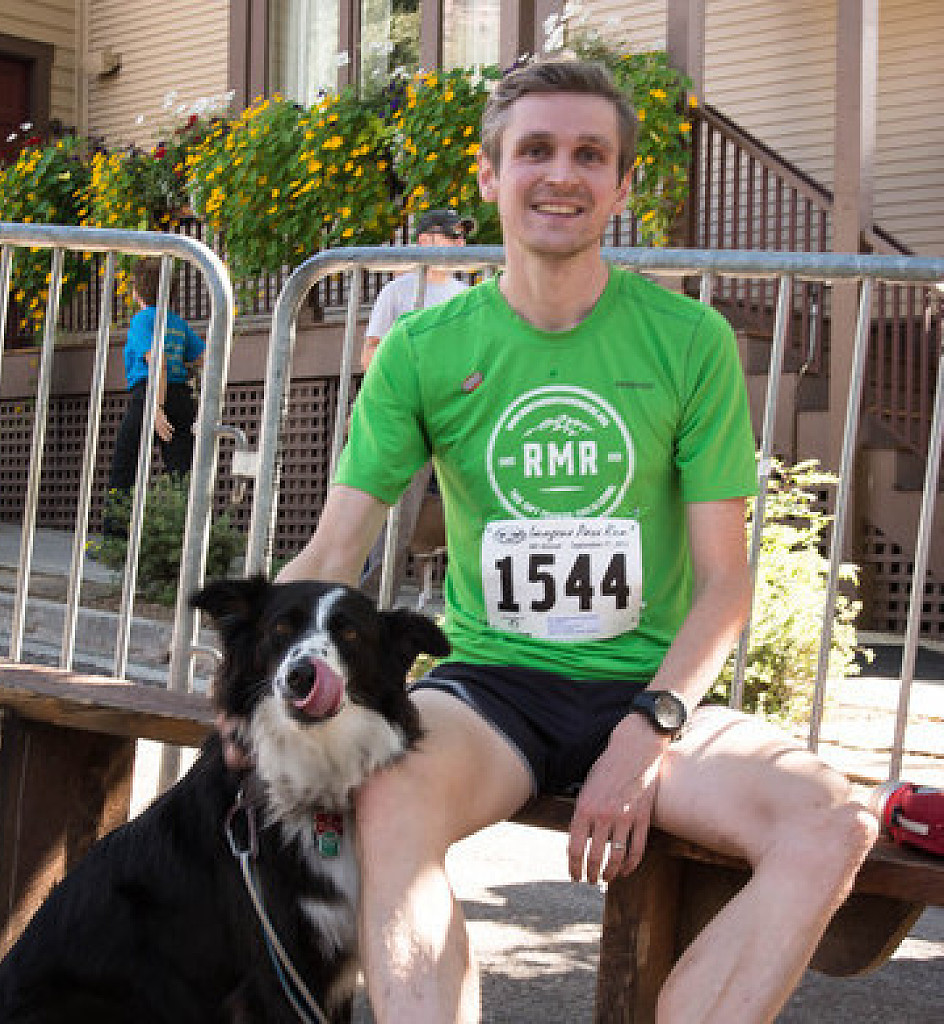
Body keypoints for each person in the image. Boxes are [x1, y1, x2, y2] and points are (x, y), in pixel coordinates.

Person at [276, 59, 878, 1024]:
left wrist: (646, 730)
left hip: (652, 690)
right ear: (489, 174)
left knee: (832, 821)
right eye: (537, 150)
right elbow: (334, 552)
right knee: (383, 790)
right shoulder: (425, 348)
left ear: (623, 185)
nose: (562, 173)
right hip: (489, 691)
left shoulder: (689, 340)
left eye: (591, 154)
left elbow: (726, 584)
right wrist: (255, 682)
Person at [358, 207, 474, 602]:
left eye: (462, 237)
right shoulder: (398, 291)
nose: (460, 243)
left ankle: (471, 610)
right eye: (451, 235)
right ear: (425, 240)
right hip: (407, 416)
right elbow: (369, 355)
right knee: (395, 519)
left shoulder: (466, 296)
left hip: (456, 415)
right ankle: (371, 605)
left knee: (470, 510)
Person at [104, 257, 204, 537]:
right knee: (181, 470)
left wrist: (156, 408)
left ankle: (116, 539)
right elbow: (204, 357)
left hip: (149, 395)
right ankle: (184, 537)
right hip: (181, 397)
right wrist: (183, 366)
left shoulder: (142, 321)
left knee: (125, 464)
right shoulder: (178, 323)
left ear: (137, 291)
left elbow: (156, 362)